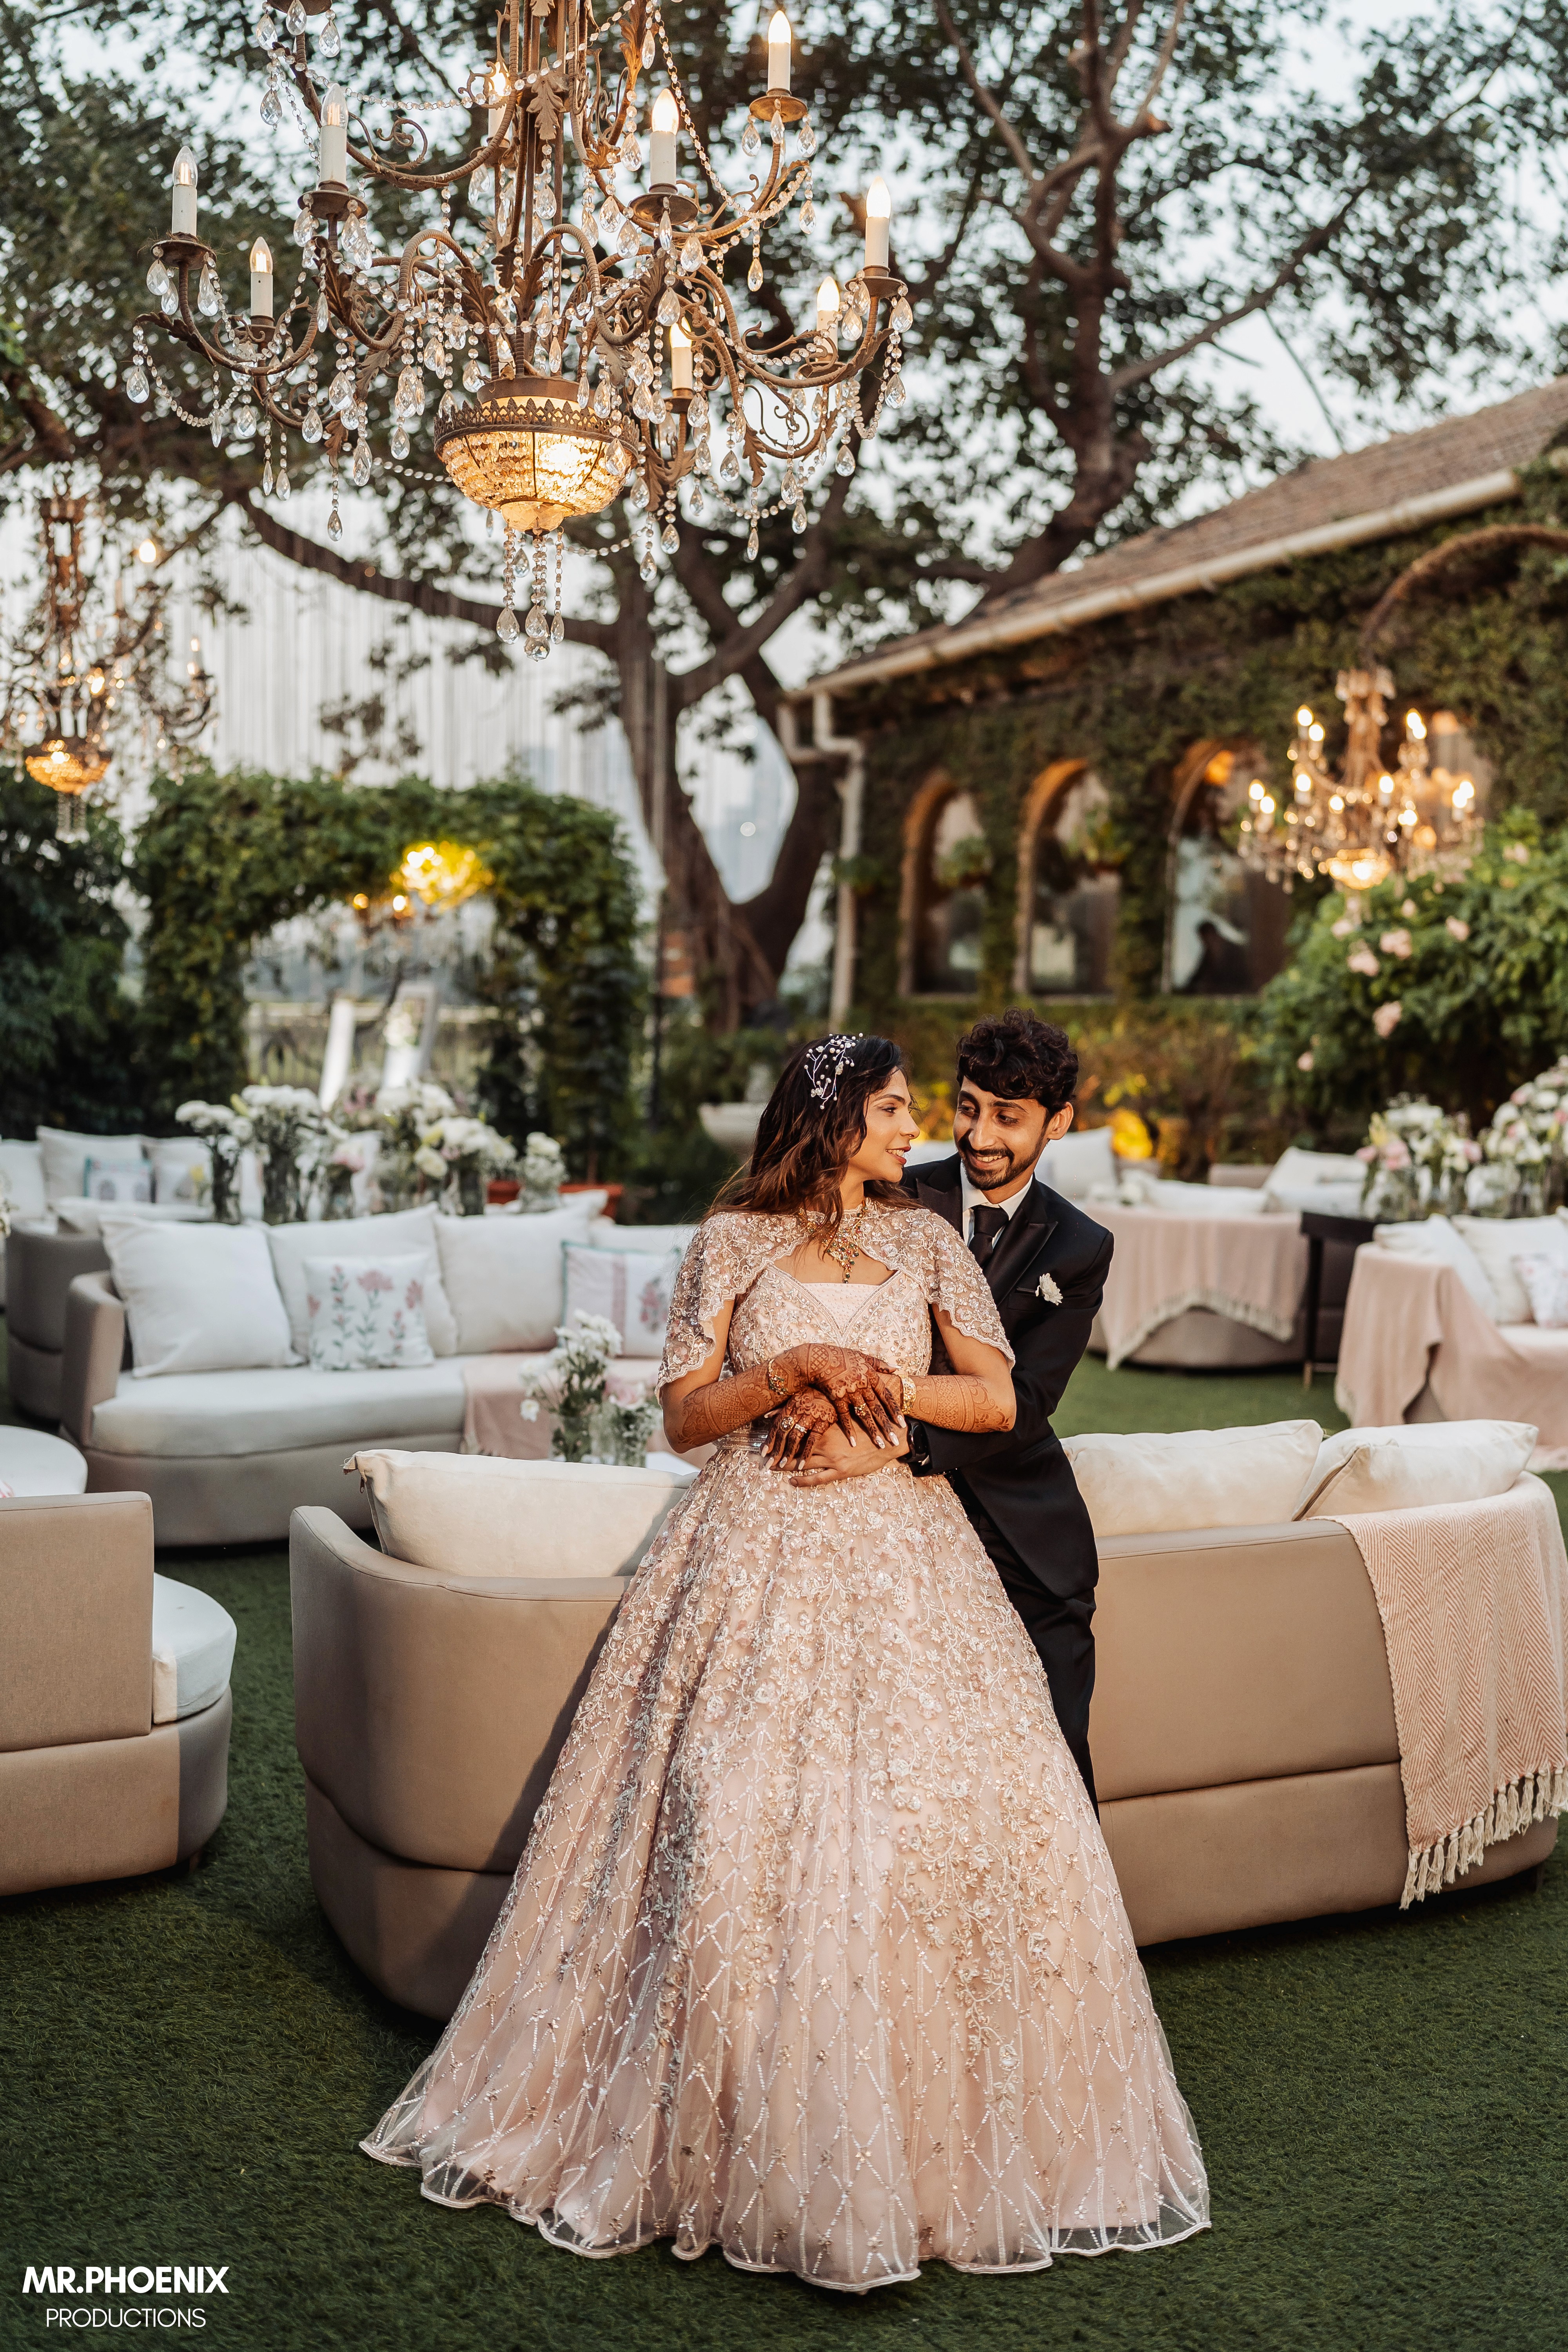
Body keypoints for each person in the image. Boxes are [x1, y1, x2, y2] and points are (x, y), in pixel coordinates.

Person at [362, 1033, 1207, 2291]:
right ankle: (729, 2123)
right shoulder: (728, 1242)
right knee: (732, 1800)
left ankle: (937, 2139)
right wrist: (795, 1372)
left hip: (909, 1549)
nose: (922, 1127)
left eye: (940, 1108)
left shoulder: (924, 1242)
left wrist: (881, 1396)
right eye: (902, 1107)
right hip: (752, 1544)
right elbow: (686, 1415)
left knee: (952, 1809)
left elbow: (996, 1402)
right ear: (832, 1120)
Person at [898, 1011, 1112, 1805]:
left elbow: (1024, 1401)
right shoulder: (891, 1198)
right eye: (967, 1108)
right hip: (894, 1516)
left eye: (1006, 1118)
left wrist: (898, 1440)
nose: (978, 1135)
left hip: (1023, 1529)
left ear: (1057, 1123)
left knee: (1055, 1753)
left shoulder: (1078, 1246)